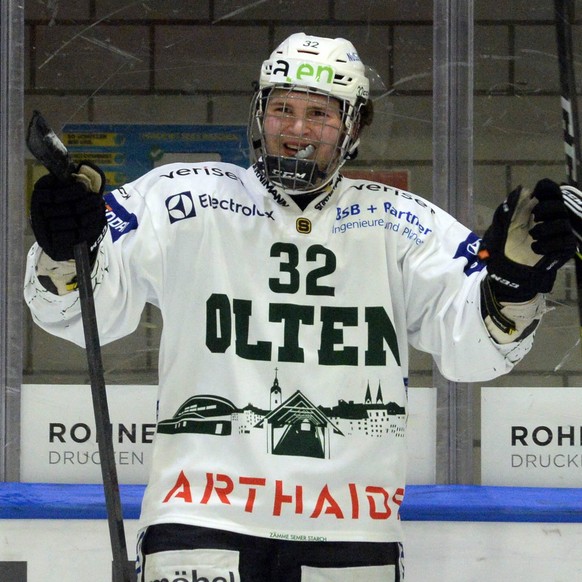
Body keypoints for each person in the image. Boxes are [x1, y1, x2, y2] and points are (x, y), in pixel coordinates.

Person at [24, 32, 578, 582]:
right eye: (282, 108)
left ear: (355, 126)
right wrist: (64, 250)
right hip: (198, 519)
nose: (295, 129)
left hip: (352, 532)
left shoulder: (407, 225)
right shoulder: (181, 199)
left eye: (319, 113)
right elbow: (79, 315)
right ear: (259, 113)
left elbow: (473, 352)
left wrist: (514, 284)